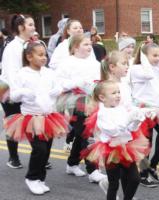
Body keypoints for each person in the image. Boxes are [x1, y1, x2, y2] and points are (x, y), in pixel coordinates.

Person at [3, 41, 69, 195]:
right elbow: (13, 95)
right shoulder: (22, 74)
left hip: (49, 117)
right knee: (39, 149)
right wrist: (24, 92)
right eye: (40, 55)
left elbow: (58, 86)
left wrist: (56, 90)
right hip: (31, 118)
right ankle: (31, 178)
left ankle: (40, 178)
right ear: (29, 57)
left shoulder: (49, 72)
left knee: (46, 150)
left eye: (45, 54)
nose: (44, 57)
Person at [81, 80, 150, 200]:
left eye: (118, 92)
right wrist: (129, 119)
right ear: (102, 97)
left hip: (126, 148)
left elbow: (129, 129)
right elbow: (113, 131)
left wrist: (137, 119)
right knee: (114, 183)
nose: (118, 95)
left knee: (135, 179)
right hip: (111, 150)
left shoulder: (121, 109)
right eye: (113, 93)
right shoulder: (102, 114)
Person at [55, 34, 106, 184]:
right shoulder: (67, 63)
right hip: (74, 101)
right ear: (75, 47)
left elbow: (99, 80)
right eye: (85, 44)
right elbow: (59, 83)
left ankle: (72, 163)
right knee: (87, 134)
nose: (90, 47)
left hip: (92, 100)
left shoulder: (94, 63)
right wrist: (77, 83)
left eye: (90, 44)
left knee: (82, 134)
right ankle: (93, 170)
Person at [130, 43, 159, 187]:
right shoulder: (137, 69)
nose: (157, 58)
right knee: (146, 145)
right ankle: (142, 175)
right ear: (144, 56)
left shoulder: (157, 68)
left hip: (158, 110)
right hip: (144, 112)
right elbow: (148, 75)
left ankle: (152, 166)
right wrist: (143, 58)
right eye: (154, 55)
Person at [1, 14, 36, 169]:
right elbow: (11, 74)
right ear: (21, 28)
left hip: (27, 89)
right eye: (30, 25)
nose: (34, 28)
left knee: (32, 121)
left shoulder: (32, 45)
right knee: (14, 122)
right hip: (10, 89)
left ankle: (39, 154)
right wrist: (18, 93)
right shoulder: (12, 47)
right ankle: (13, 157)